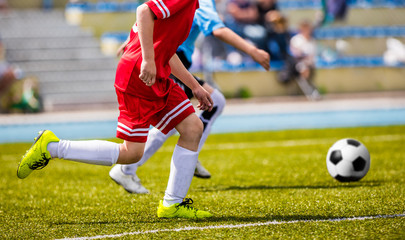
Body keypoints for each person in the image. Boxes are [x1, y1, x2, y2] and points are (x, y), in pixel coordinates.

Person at [17, 0, 214, 219]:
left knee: (193, 128)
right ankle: (52, 148)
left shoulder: (193, 4)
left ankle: (172, 204)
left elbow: (165, 50)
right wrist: (148, 59)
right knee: (131, 153)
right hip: (139, 77)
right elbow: (144, 11)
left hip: (156, 74)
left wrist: (195, 86)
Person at [109, 0, 270, 194]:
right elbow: (217, 30)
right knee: (191, 115)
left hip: (169, 59)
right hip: (171, 61)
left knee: (189, 115)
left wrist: (135, 41)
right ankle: (129, 167)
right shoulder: (201, 2)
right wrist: (253, 51)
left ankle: (178, 157)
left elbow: (152, 16)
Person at [289, 20, 320, 100]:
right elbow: (295, 53)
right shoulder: (296, 39)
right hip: (298, 64)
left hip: (310, 64)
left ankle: (311, 91)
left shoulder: (312, 40)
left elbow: (313, 55)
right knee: (303, 68)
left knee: (306, 68)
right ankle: (310, 92)